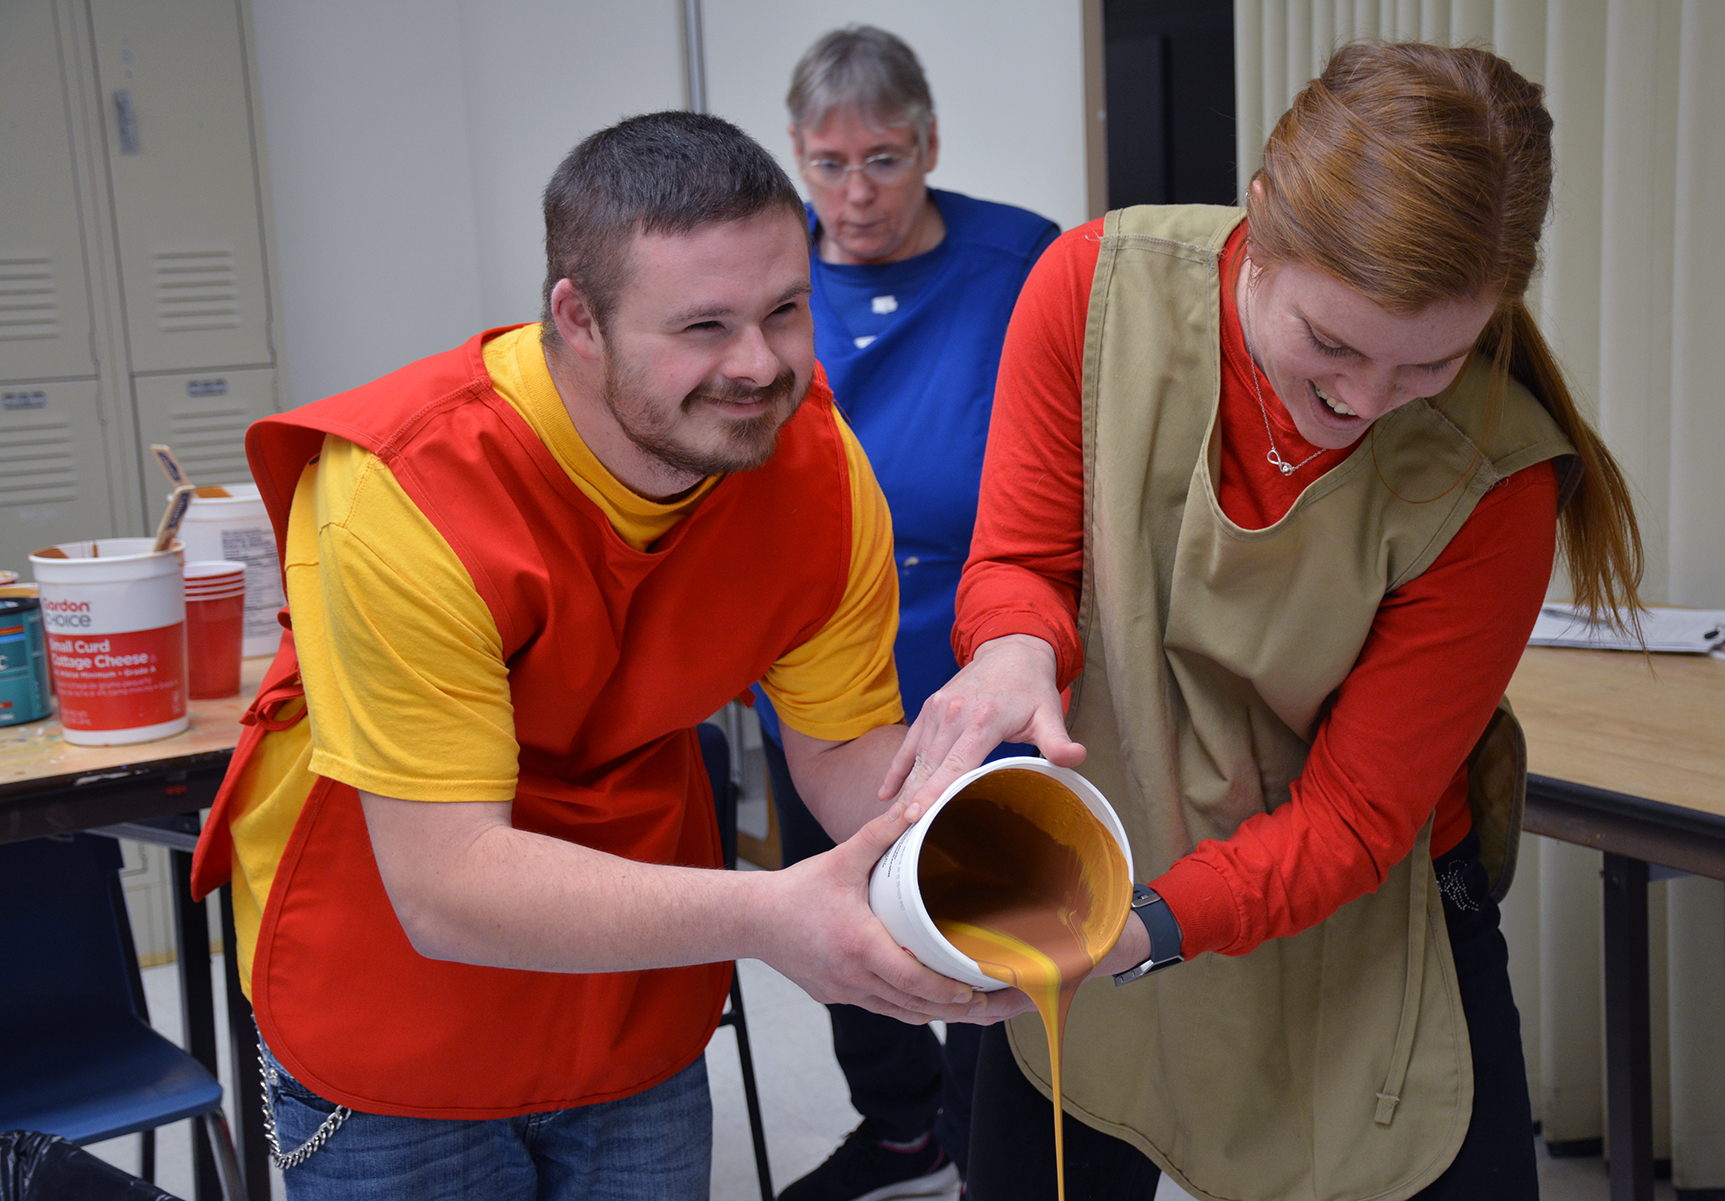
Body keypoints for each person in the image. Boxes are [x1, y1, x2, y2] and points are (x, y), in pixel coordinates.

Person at [187, 111, 1028, 1201]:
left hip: (631, 971)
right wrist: (773, 915)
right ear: (577, 319)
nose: (761, 364)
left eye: (785, 309)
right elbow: (444, 883)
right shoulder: (403, 493)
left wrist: (978, 839)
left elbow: (840, 744)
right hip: (399, 987)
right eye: (705, 326)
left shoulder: (808, 466)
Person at [887, 42, 1645, 1201]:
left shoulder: (1495, 475)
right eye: (1330, 345)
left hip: (1368, 910)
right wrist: (1012, 647)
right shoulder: (1094, 294)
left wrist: (1138, 933)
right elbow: (1023, 559)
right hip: (1113, 845)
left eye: (1427, 364)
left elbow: (1353, 820)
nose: (1359, 405)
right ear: (1260, 220)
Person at [748, 26, 1059, 1201]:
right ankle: (898, 1127)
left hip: (979, 641)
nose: (855, 194)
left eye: (883, 159)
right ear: (796, 156)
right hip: (814, 646)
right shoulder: (776, 279)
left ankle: (990, 1149)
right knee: (838, 888)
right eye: (828, 164)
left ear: (929, 144)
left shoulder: (1018, 260)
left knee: (976, 902)